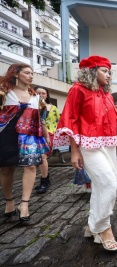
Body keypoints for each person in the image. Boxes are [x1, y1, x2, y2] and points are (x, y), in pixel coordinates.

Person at [53, 55, 117, 251]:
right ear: (92, 71)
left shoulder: (107, 95)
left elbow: (116, 122)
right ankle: (104, 228)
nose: (109, 75)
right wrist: (74, 151)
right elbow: (71, 120)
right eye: (104, 70)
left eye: (109, 71)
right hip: (88, 145)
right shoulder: (78, 90)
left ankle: (92, 226)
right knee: (110, 184)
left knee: (101, 187)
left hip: (108, 145)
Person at [0, 64, 50, 222]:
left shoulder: (36, 97)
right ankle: (9, 201)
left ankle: (24, 204)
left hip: (29, 136)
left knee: (30, 166)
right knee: (6, 169)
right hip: (6, 134)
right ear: (16, 74)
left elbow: (41, 119)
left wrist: (46, 135)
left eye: (32, 73)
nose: (30, 76)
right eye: (27, 73)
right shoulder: (4, 92)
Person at [34, 87, 60, 194]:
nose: (41, 95)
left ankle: (44, 181)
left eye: (43, 93)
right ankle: (46, 179)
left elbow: (58, 122)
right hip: (34, 134)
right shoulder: (31, 106)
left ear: (47, 95)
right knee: (39, 158)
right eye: (38, 93)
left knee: (42, 156)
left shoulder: (53, 108)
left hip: (48, 134)